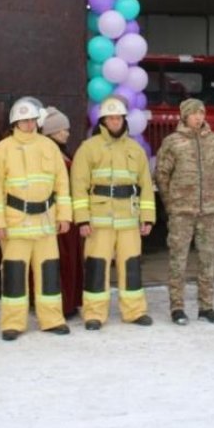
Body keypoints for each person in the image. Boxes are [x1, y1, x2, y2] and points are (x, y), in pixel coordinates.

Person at [0, 96, 73, 340]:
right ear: (15, 122)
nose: (28, 124)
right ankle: (12, 323)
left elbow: (62, 185)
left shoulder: (49, 146)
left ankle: (52, 319)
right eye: (23, 121)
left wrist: (64, 215)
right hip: (15, 225)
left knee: (49, 275)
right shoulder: (2, 150)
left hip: (45, 223)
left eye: (32, 120)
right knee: (14, 275)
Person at [70, 96, 157, 330]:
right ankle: (94, 314)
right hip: (99, 222)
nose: (115, 121)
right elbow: (78, 186)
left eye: (118, 117)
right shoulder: (88, 148)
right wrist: (82, 220)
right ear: (103, 121)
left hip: (128, 220)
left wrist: (147, 218)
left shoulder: (135, 150)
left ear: (124, 120)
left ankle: (134, 311)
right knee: (97, 267)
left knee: (131, 267)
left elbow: (145, 186)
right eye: (110, 118)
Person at [155, 97, 214, 325]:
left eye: (202, 112)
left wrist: (211, 195)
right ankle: (177, 307)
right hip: (182, 211)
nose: (199, 117)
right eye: (194, 113)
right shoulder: (172, 142)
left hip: (209, 212)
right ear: (184, 116)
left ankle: (206, 307)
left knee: (208, 260)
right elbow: (162, 174)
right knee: (178, 260)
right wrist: (172, 203)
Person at [41, 106, 84, 318]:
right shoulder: (50, 154)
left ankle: (69, 300)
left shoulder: (60, 152)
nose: (66, 133)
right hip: (59, 216)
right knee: (62, 261)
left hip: (68, 214)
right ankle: (64, 303)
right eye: (61, 131)